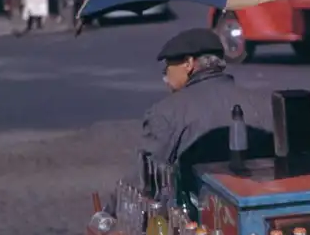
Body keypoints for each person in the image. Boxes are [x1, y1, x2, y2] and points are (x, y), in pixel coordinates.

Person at [105, 28, 274, 213]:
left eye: (168, 66)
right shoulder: (263, 103)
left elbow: (143, 178)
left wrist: (107, 213)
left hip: (198, 217)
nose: (165, 76)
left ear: (188, 63)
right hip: (260, 208)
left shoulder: (167, 112)